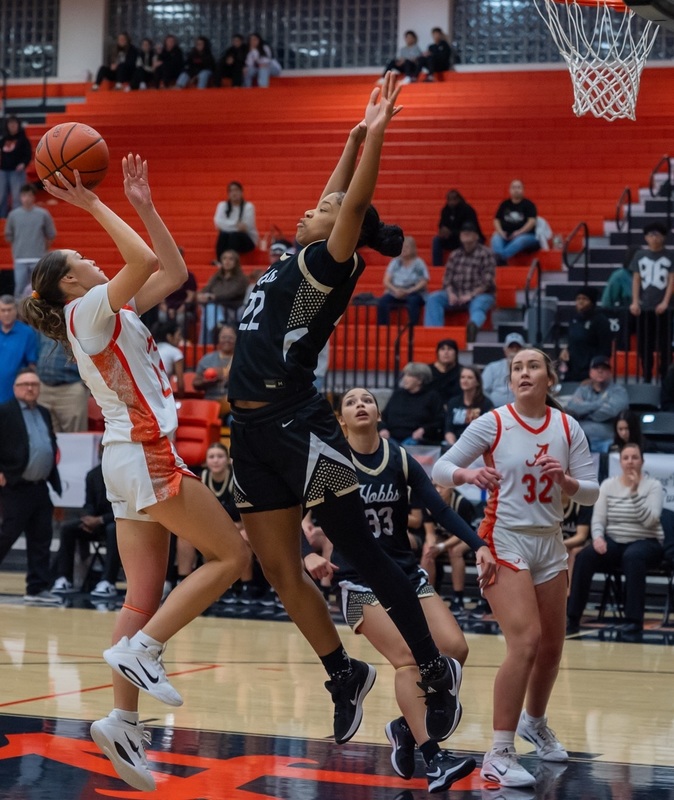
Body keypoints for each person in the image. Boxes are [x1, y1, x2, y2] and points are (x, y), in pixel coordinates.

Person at [228, 73, 464, 749]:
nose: (313, 207)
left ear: (347, 228)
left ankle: (433, 669)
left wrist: (378, 137)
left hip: (299, 424)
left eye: (327, 206)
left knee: (358, 547)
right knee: (277, 566)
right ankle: (342, 675)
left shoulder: (328, 267)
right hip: (248, 430)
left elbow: (351, 200)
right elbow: (337, 196)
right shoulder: (292, 255)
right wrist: (353, 136)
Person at [22, 155, 248, 792]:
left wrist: (144, 204)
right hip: (146, 452)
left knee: (140, 596)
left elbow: (170, 270)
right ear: (70, 284)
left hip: (124, 459)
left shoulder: (107, 314)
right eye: (80, 259)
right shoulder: (87, 312)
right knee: (232, 555)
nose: (95, 259)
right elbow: (143, 264)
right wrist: (93, 203)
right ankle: (142, 650)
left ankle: (122, 719)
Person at [304, 387, 496, 791]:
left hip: (406, 574)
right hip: (358, 582)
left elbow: (439, 509)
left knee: (455, 650)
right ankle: (433, 758)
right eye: (351, 401)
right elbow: (293, 516)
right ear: (341, 419)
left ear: (378, 413)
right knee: (409, 659)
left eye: (367, 400)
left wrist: (478, 545)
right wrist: (306, 553)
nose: (360, 404)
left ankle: (405, 728)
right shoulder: (332, 462)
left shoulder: (400, 458)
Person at [432, 347, 599, 788]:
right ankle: (499, 751)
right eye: (517, 368)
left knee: (551, 649)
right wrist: (467, 478)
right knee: (525, 642)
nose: (524, 372)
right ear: (510, 381)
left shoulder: (568, 426)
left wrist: (565, 482)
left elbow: (592, 493)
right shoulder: (494, 422)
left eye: (532, 366)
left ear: (550, 378)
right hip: (503, 539)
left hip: (550, 542)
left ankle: (534, 722)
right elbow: (442, 468)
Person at [567, 442, 664, 635]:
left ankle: (634, 620)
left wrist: (635, 492)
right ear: (620, 462)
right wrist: (597, 538)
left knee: (633, 556)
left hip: (647, 541)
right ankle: (572, 617)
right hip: (615, 541)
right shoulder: (608, 485)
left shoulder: (654, 486)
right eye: (626, 458)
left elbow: (650, 521)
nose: (630, 462)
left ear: (642, 461)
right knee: (586, 556)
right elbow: (598, 520)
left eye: (634, 458)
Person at [0, 368, 62, 605]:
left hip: (40, 487)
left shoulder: (45, 413)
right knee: (6, 536)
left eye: (34, 384)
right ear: (15, 389)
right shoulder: (5, 412)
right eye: (25, 384)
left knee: (41, 537)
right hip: (15, 486)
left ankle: (36, 588)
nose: (30, 388)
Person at [51, 453, 121, 598]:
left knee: (112, 529)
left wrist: (100, 520)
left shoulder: (123, 475)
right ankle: (64, 578)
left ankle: (108, 581)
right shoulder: (92, 475)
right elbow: (89, 503)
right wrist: (88, 518)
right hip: (97, 522)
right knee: (67, 528)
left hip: (117, 521)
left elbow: (124, 507)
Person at [424, 222, 496, 344]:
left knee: (479, 305)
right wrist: (451, 293)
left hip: (478, 295)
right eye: (464, 234)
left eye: (469, 234)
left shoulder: (486, 254)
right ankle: (433, 334)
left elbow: (487, 281)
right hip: (456, 294)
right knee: (434, 298)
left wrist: (470, 295)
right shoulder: (455, 255)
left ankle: (472, 328)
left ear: (476, 236)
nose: (466, 236)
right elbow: (447, 279)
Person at [629, 220, 674, 383]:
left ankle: (664, 376)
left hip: (664, 309)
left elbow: (672, 280)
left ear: (663, 237)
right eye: (650, 235)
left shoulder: (670, 256)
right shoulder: (640, 255)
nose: (653, 238)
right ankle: (646, 374)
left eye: (657, 235)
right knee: (644, 344)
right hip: (644, 308)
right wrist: (635, 301)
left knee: (665, 345)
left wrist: (665, 302)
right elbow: (636, 280)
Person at [421, 481, 477, 612]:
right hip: (444, 536)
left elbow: (463, 533)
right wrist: (431, 546)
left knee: (455, 551)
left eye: (442, 486)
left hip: (467, 536)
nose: (438, 490)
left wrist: (441, 547)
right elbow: (429, 532)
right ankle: (428, 597)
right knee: (427, 550)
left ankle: (458, 598)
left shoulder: (462, 503)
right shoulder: (429, 501)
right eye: (435, 486)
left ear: (452, 488)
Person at [565, 355, 629, 453]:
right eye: (596, 368)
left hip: (608, 442)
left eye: (604, 368)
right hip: (580, 442)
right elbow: (572, 408)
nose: (600, 371)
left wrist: (584, 412)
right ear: (590, 372)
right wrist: (599, 404)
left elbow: (612, 412)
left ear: (610, 372)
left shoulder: (619, 391)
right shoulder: (582, 390)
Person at [5, 184, 57, 298]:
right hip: (20, 258)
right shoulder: (13, 215)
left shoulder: (43, 214)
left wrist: (43, 249)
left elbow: (51, 234)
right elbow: (8, 235)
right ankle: (19, 314)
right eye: (24, 195)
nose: (26, 198)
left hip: (37, 257)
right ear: (20, 197)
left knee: (38, 288)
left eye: (29, 195)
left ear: (34, 197)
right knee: (19, 289)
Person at [380, 362, 444, 445]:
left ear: (420, 380)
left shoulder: (432, 396)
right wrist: (383, 429)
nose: (404, 379)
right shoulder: (398, 394)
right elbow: (383, 416)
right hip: (391, 437)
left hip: (415, 440)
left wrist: (424, 430)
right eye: (405, 375)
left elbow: (439, 420)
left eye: (409, 375)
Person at [36, 332, 89, 432]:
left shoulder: (76, 323)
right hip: (43, 388)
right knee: (47, 435)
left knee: (75, 437)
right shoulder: (45, 326)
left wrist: (84, 384)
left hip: (71, 388)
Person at [558, 287, 612, 382]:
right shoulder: (574, 319)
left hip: (589, 372)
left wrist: (594, 374)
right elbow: (572, 340)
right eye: (578, 299)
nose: (580, 302)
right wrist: (566, 350)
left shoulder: (600, 321)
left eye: (584, 299)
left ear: (592, 302)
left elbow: (605, 350)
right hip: (572, 370)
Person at [376, 236, 429, 325]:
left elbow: (424, 281)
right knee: (383, 301)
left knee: (413, 301)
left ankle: (412, 328)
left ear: (413, 249)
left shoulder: (419, 263)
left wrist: (408, 291)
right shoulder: (395, 262)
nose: (404, 249)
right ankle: (383, 328)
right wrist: (395, 290)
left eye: (407, 247)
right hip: (396, 291)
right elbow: (386, 281)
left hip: (414, 291)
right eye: (402, 247)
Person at [197, 249, 248, 340]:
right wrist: (200, 296)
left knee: (210, 308)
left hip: (233, 310)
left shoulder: (241, 279)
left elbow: (231, 294)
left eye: (230, 259)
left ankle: (216, 330)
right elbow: (206, 290)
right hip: (216, 308)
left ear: (236, 262)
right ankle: (216, 326)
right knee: (208, 311)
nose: (227, 261)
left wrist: (213, 297)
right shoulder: (216, 277)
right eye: (224, 258)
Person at [192, 323, 237, 417]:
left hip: (232, 405)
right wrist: (208, 381)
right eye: (224, 337)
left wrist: (231, 378)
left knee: (234, 419)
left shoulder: (241, 359)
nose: (227, 340)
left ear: (237, 339)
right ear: (218, 338)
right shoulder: (207, 359)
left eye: (230, 337)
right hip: (210, 403)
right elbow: (195, 383)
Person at [443, 365, 494, 448]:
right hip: (455, 445)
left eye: (469, 378)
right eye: (462, 377)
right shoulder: (453, 402)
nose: (465, 381)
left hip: (477, 447)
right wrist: (453, 445)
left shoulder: (486, 403)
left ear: (477, 382)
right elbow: (449, 429)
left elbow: (488, 431)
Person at [0, 294, 38, 403]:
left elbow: (32, 364)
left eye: (9, 310)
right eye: (3, 310)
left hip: (15, 394)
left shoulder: (27, 333)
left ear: (16, 311)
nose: (6, 314)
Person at [491, 180, 539, 264]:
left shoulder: (529, 204)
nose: (516, 190)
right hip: (506, 234)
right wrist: (500, 232)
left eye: (519, 187)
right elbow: (496, 220)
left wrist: (519, 232)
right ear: (509, 190)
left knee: (520, 240)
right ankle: (501, 260)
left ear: (523, 190)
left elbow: (531, 222)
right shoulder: (504, 204)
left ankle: (500, 260)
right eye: (513, 187)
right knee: (495, 238)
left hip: (527, 235)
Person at [431, 189, 482, 267]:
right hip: (450, 238)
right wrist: (442, 231)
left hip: (464, 237)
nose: (451, 202)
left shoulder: (468, 210)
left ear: (459, 199)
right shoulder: (445, 210)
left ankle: (464, 265)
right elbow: (441, 224)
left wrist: (452, 232)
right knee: (436, 240)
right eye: (449, 200)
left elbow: (471, 229)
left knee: (466, 239)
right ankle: (437, 267)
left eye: (454, 199)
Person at [213, 181, 259, 259]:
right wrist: (236, 225)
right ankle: (220, 260)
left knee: (233, 235)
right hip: (227, 238)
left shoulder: (248, 207)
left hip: (247, 240)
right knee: (223, 235)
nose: (234, 193)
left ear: (241, 192)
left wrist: (226, 225)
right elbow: (218, 224)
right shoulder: (222, 205)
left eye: (236, 190)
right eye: (231, 191)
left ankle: (232, 261)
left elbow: (245, 227)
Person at [481, 332, 526, 408]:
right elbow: (482, 390)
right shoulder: (492, 368)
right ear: (505, 350)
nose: (514, 350)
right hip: (494, 409)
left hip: (521, 410)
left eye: (518, 348)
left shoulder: (528, 370)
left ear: (524, 351)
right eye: (511, 347)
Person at [0, 115, 32, 219]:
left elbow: (28, 154)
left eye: (14, 124)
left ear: (18, 125)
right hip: (3, 171)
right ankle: (2, 218)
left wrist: (23, 163)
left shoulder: (23, 139)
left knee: (17, 197)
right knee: (1, 196)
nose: (12, 126)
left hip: (16, 171)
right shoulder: (3, 139)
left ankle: (16, 219)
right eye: (10, 124)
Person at [152, 320, 184, 397]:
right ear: (169, 337)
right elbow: (180, 384)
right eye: (179, 335)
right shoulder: (176, 352)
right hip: (160, 392)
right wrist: (181, 398)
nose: (180, 339)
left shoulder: (154, 348)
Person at [428, 338, 463, 406]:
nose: (446, 352)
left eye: (450, 349)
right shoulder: (428, 371)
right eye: (442, 349)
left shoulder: (463, 372)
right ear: (437, 353)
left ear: (456, 353)